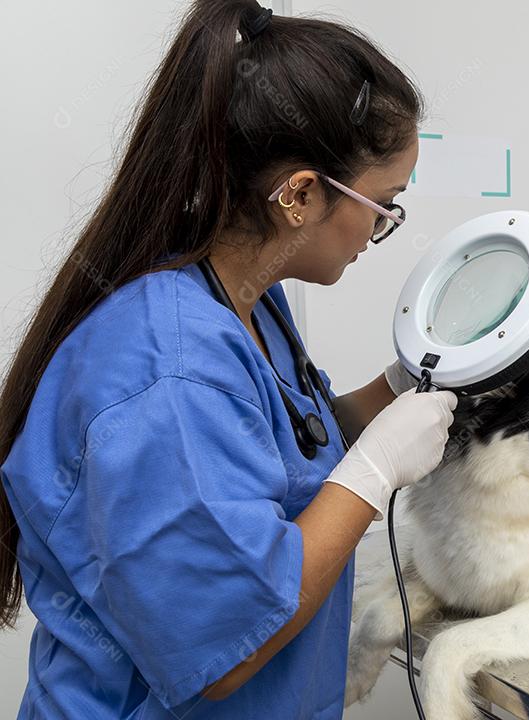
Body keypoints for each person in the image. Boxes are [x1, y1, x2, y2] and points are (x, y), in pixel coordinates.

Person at [0, 1, 457, 717]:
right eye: (383, 206)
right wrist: (373, 476)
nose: (381, 228)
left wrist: (396, 391)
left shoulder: (241, 302)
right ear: (301, 195)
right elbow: (224, 645)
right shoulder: (166, 372)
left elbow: (278, 457)